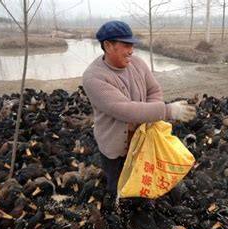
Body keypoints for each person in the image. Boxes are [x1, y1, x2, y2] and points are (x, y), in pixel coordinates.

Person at [82, 21, 196, 197]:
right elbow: (125, 110)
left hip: (143, 140)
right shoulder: (94, 77)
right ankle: (119, 213)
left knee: (145, 183)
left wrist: (151, 115)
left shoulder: (137, 63)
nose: (131, 50)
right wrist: (167, 111)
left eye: (132, 45)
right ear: (108, 45)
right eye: (126, 45)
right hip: (116, 148)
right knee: (119, 188)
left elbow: (154, 90)